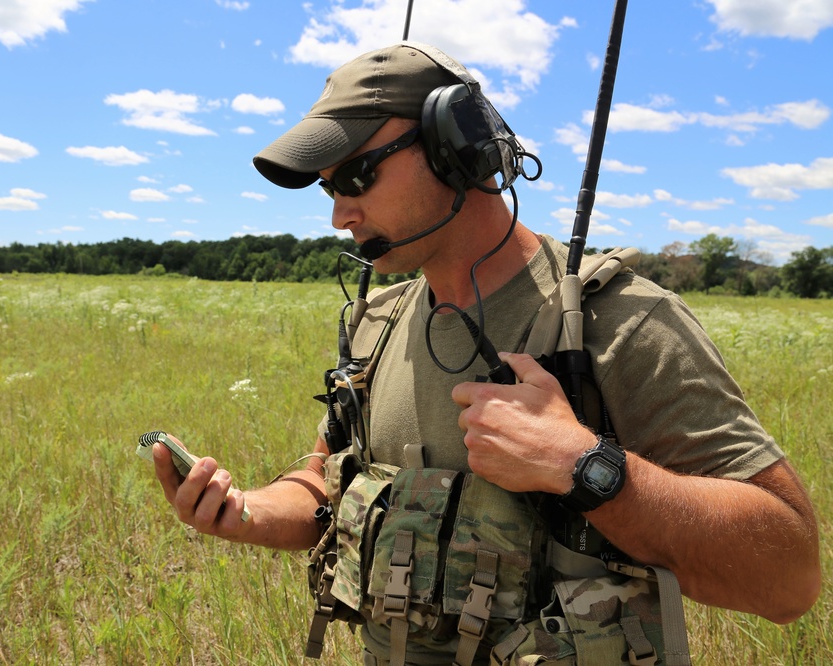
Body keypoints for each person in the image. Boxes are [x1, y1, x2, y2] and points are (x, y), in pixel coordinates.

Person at [153, 42, 820, 665]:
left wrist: (584, 466)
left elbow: (787, 580)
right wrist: (245, 512)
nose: (339, 215)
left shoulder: (615, 322)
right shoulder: (374, 324)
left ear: (455, 148)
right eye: (329, 188)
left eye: (356, 176)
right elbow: (329, 483)